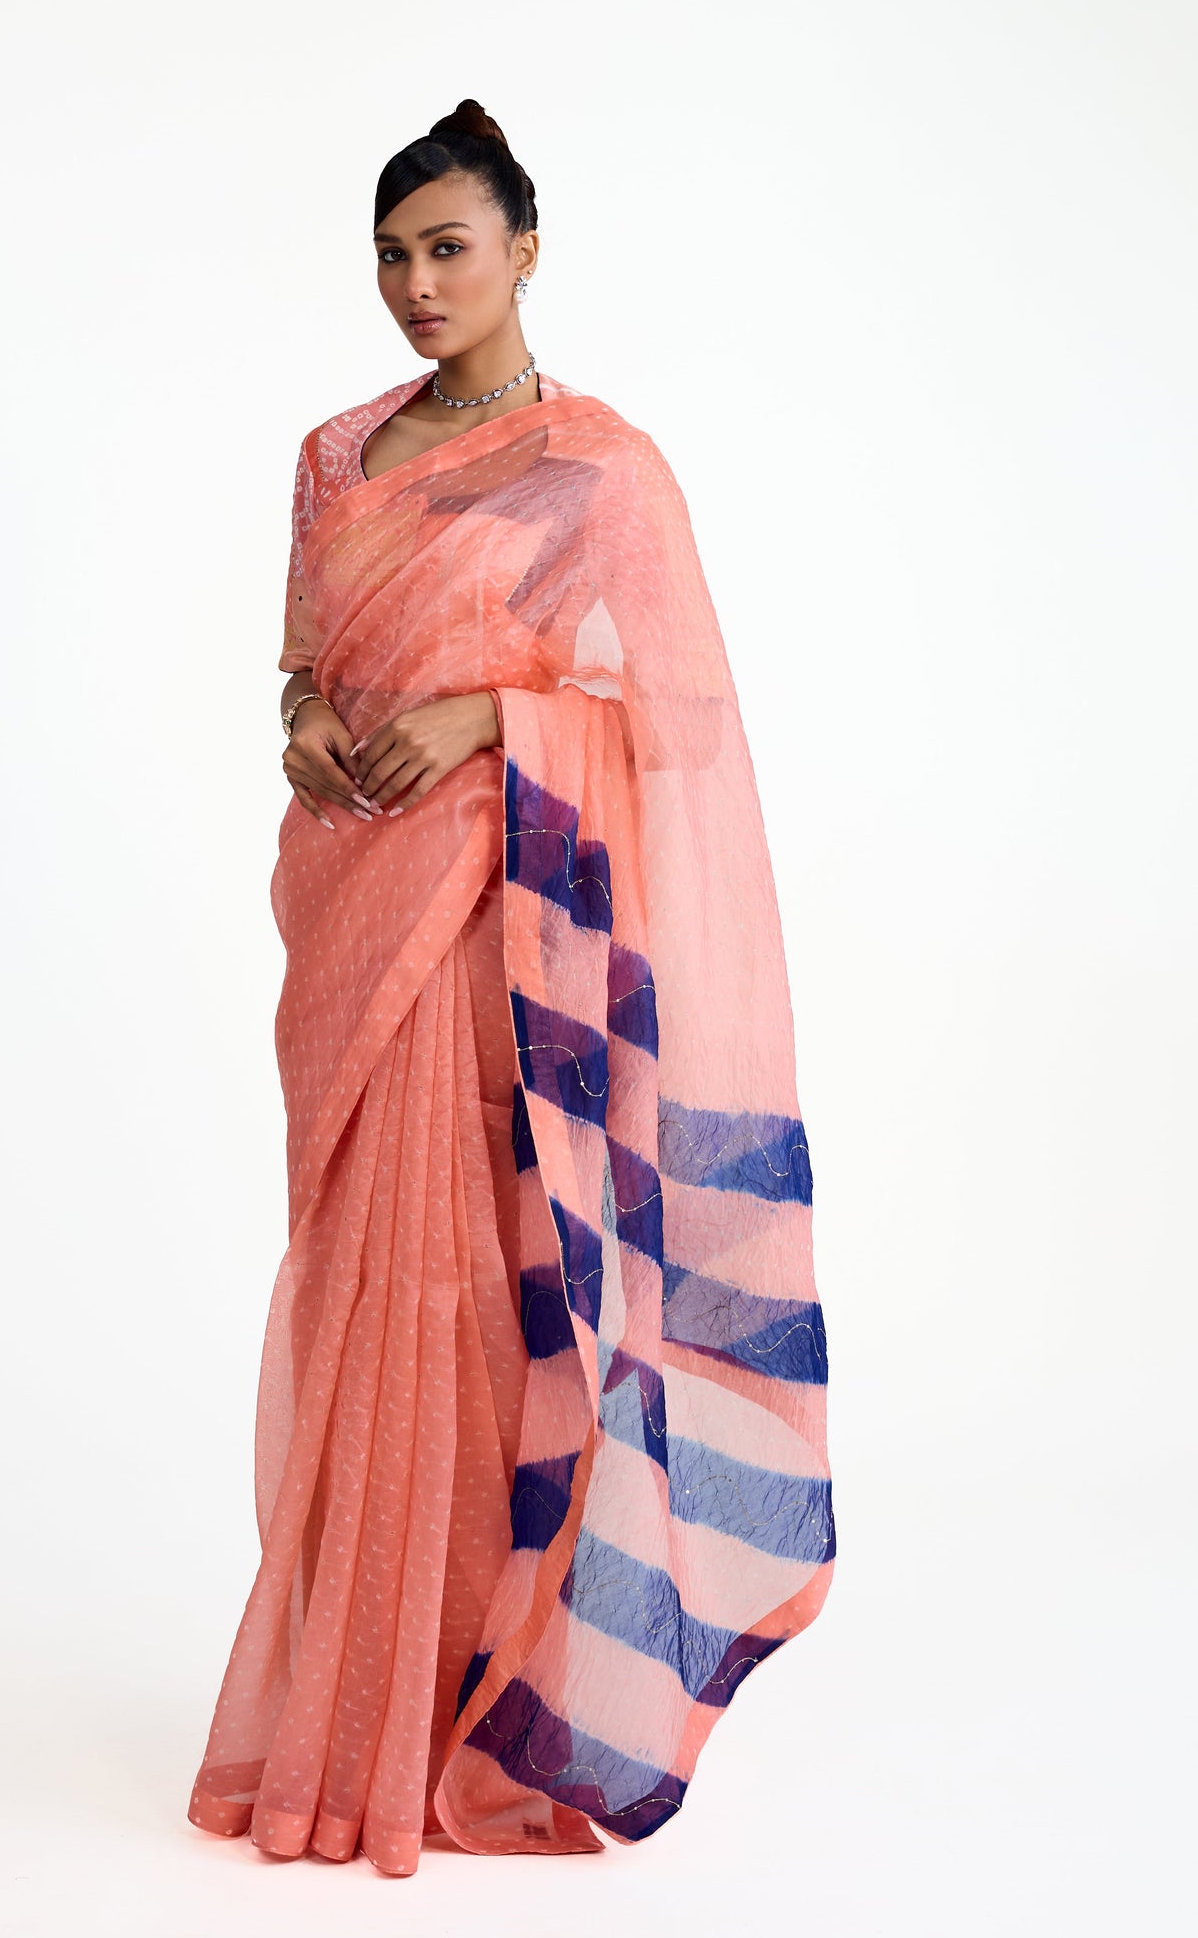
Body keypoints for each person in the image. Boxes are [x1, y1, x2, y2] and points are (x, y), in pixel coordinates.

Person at [187, 101, 834, 1877]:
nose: (417, 283)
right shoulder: (337, 455)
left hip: (495, 917)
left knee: (472, 1278)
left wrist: (487, 713)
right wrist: (308, 728)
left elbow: (674, 714)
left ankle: (468, 1700)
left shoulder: (597, 472)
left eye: (449, 248)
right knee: (361, 1281)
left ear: (524, 253)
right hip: (354, 898)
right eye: (393, 255)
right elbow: (308, 666)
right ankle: (356, 1694)